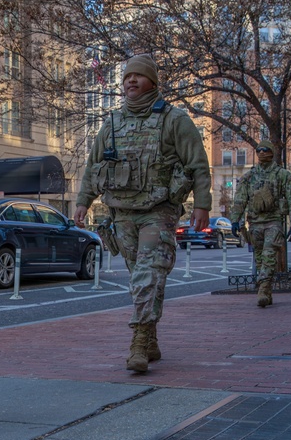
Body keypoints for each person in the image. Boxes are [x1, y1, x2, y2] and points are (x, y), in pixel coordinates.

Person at [72, 54, 212, 374]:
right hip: (122, 214)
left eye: (137, 75)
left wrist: (203, 204)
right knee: (141, 278)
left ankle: (138, 341)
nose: (130, 81)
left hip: (158, 212)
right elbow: (94, 166)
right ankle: (151, 338)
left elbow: (197, 165)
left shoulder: (174, 120)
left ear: (152, 81)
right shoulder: (112, 123)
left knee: (148, 273)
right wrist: (83, 201)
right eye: (126, 77)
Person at [229, 140, 291, 308]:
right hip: (254, 224)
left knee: (268, 256)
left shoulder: (283, 176)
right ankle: (267, 291)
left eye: (265, 149)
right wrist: (234, 220)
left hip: (274, 222)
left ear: (272, 152)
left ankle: (262, 290)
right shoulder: (248, 177)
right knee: (260, 259)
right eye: (258, 150)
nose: (261, 152)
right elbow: (240, 200)